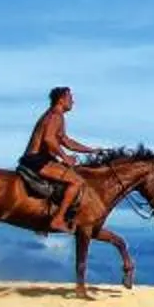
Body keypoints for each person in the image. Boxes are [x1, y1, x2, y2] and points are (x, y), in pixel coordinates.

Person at [19, 85, 97, 234]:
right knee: (77, 181)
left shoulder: (56, 115)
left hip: (42, 158)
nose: (73, 102)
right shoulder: (55, 115)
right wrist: (65, 157)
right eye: (70, 98)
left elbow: (66, 141)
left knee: (72, 175)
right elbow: (49, 139)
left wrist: (90, 150)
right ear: (61, 99)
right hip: (36, 159)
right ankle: (58, 219)